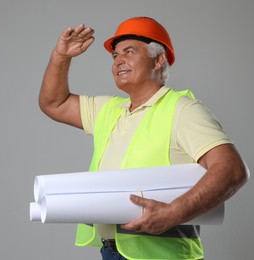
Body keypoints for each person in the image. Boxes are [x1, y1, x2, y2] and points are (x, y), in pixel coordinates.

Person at [38, 16, 248, 260]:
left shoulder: (182, 110)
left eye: (129, 51)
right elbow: (53, 103)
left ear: (158, 60)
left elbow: (232, 170)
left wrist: (173, 213)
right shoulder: (109, 109)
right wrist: (60, 56)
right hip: (112, 252)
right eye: (115, 56)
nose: (118, 62)